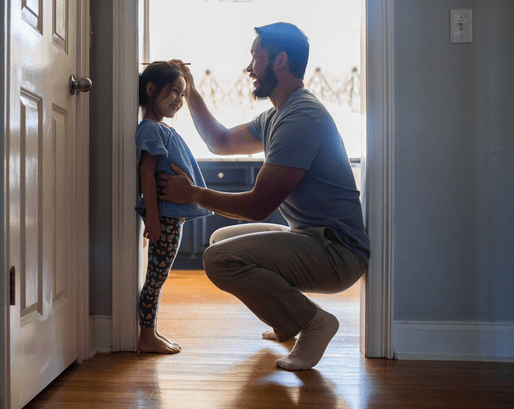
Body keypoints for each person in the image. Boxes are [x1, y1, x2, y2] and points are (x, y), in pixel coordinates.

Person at [158, 23, 370, 370]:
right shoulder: (277, 115)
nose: (250, 68)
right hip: (313, 240)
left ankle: (314, 323)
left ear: (280, 61)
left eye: (256, 57)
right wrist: (191, 92)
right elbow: (221, 141)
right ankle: (285, 320)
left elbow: (258, 207)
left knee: (218, 259)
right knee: (221, 239)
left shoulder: (301, 118)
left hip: (338, 254)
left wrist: (192, 193)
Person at [135, 60, 213, 354]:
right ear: (152, 89)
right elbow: (146, 174)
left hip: (170, 217)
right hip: (165, 218)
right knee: (156, 279)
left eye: (183, 94)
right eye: (174, 92)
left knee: (158, 277)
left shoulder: (160, 129)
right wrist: (153, 219)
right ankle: (146, 335)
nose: (180, 99)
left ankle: (151, 331)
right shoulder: (151, 129)